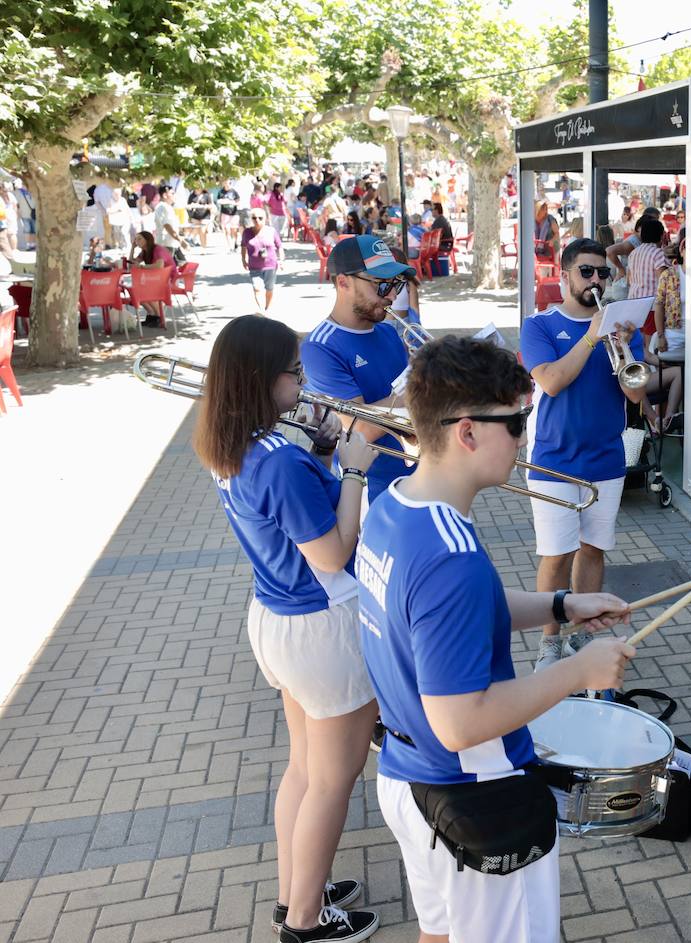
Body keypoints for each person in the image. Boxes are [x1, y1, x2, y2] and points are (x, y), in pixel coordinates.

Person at [357, 335, 635, 943]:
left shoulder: (392, 507)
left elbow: (448, 618)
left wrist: (562, 604)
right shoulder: (448, 553)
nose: (523, 437)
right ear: (466, 431)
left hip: (408, 778)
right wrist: (580, 673)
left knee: (439, 932)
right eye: (515, 422)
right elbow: (460, 721)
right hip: (472, 793)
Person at [192, 315, 379, 943]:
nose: (304, 382)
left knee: (304, 770)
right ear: (258, 379)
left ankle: (296, 892)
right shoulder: (276, 461)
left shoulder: (236, 442)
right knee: (332, 779)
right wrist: (353, 467)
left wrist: (322, 450)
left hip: (277, 616)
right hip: (319, 624)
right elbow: (331, 552)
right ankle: (304, 922)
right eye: (294, 374)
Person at [519, 238, 647, 671]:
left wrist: (624, 346)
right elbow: (552, 381)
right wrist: (593, 336)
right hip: (553, 461)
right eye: (587, 272)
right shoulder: (539, 326)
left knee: (593, 550)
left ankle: (580, 634)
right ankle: (549, 641)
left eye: (602, 273)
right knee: (556, 555)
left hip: (606, 460)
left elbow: (635, 392)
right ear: (565, 275)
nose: (596, 280)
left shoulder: (622, 329)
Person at [301, 234, 417, 503]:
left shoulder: (389, 333)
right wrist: (426, 386)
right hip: (371, 490)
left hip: (418, 477)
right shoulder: (319, 347)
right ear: (343, 282)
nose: (391, 295)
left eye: (396, 284)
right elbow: (357, 429)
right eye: (381, 284)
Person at [646, 232, 686, 434]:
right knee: (670, 370)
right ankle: (665, 418)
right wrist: (661, 334)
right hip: (673, 332)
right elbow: (659, 305)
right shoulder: (669, 275)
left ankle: (674, 417)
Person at [130, 230, 177, 327]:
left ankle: (159, 316)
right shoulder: (144, 251)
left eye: (139, 239)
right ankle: (153, 315)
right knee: (135, 291)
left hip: (168, 279)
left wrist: (142, 267)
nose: (137, 241)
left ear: (147, 240)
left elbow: (159, 266)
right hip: (156, 278)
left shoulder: (157, 249)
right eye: (136, 239)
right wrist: (132, 248)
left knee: (144, 290)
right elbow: (132, 263)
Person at [242, 208, 284, 312]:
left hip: (270, 265)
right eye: (254, 218)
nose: (257, 220)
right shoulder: (247, 232)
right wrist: (243, 259)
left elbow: (280, 246)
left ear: (265, 219)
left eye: (260, 218)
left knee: (269, 289)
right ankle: (261, 310)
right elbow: (243, 246)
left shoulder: (271, 231)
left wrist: (281, 260)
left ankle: (267, 309)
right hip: (254, 266)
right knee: (257, 288)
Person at [625, 216, 667, 301]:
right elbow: (663, 283)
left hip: (632, 300)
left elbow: (628, 281)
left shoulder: (633, 253)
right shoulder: (658, 253)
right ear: (662, 235)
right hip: (650, 305)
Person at [153, 185, 188, 263]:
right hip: (166, 244)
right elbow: (167, 226)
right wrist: (180, 240)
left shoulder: (167, 207)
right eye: (172, 193)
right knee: (170, 270)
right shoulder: (162, 207)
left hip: (172, 244)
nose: (174, 195)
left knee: (181, 267)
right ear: (165, 195)